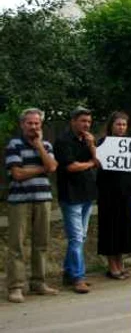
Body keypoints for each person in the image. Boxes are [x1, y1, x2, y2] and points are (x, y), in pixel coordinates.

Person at [5, 108, 59, 303]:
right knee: (17, 245)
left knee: (41, 243)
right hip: (19, 200)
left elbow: (52, 167)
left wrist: (39, 147)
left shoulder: (45, 144)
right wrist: (41, 168)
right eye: (30, 123)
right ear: (22, 124)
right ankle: (16, 287)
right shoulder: (14, 144)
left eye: (37, 123)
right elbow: (17, 174)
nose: (34, 126)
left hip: (43, 199)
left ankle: (38, 282)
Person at [53, 107, 99, 294]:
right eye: (82, 121)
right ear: (73, 121)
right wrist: (89, 164)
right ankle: (78, 278)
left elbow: (99, 161)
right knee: (76, 238)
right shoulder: (63, 141)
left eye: (88, 122)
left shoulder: (87, 140)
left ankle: (69, 272)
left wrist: (92, 146)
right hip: (71, 196)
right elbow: (71, 167)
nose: (86, 125)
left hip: (87, 193)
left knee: (81, 237)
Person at [96, 111, 131, 279]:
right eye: (118, 124)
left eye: (124, 125)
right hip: (109, 195)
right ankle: (112, 266)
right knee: (110, 229)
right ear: (111, 126)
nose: (121, 127)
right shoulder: (102, 143)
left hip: (127, 194)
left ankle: (120, 264)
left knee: (123, 230)